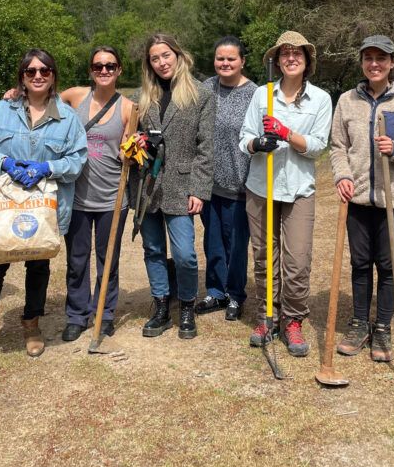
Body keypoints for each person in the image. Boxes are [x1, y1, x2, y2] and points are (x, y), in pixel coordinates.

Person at [0, 50, 87, 372]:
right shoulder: (2, 110)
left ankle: (31, 324)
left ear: (54, 75)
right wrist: (6, 163)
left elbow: (78, 160)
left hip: (43, 207)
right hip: (5, 203)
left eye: (44, 70)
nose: (37, 76)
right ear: (22, 76)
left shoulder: (67, 118)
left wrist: (46, 167)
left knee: (37, 267)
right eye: (30, 71)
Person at [330, 36, 394, 363]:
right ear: (362, 62)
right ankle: (360, 323)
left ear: (392, 63)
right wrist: (342, 175)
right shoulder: (346, 100)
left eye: (381, 59)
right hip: (357, 199)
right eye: (368, 58)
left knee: (387, 265)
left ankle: (383, 326)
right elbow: (337, 147)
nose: (374, 64)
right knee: (360, 264)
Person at [239, 31, 332, 358]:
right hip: (260, 187)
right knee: (265, 256)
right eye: (285, 53)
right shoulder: (261, 95)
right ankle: (269, 317)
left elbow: (318, 147)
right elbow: (244, 137)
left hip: (298, 190)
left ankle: (293, 320)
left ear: (307, 62)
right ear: (276, 60)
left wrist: (286, 134)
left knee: (297, 260)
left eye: (298, 54)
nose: (291, 58)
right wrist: (256, 144)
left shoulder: (321, 99)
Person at [134, 33, 215, 340]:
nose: (162, 62)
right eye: (155, 58)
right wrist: (137, 144)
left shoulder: (201, 96)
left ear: (179, 56)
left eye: (166, 55)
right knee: (152, 249)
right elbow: (130, 137)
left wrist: (199, 190)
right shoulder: (143, 98)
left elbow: (205, 149)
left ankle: (186, 307)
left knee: (184, 254)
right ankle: (161, 307)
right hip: (147, 186)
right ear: (149, 64)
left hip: (183, 186)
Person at [58, 46, 135, 342]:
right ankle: (77, 314)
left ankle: (104, 312)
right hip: (77, 196)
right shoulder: (75, 96)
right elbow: (42, 100)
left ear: (119, 69)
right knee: (77, 259)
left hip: (111, 199)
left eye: (110, 66)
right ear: (91, 70)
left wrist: (133, 148)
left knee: (108, 259)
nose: (104, 70)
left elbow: (129, 150)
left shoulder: (128, 107)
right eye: (98, 66)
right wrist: (17, 94)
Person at [196, 37, 257, 322]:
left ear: (242, 61)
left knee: (235, 243)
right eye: (220, 58)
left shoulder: (255, 94)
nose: (225, 63)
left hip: (240, 181)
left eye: (231, 59)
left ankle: (235, 294)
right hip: (208, 182)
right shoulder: (206, 88)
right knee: (212, 240)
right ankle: (215, 291)